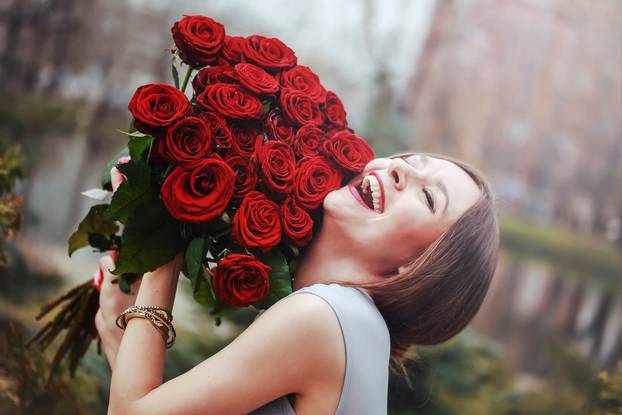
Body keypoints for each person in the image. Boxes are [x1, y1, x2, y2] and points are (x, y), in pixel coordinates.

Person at [95, 152, 499, 415]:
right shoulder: (353, 328)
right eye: (411, 159)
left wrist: (163, 240)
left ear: (419, 269)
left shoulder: (325, 318)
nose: (400, 167)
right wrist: (118, 342)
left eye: (429, 197)